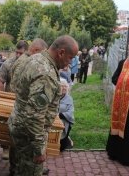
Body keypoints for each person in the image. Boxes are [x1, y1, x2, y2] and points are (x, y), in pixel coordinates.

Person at [8, 35, 79, 176]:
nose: (69, 63)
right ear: (61, 52)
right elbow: (34, 116)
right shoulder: (46, 74)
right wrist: (39, 149)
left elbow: (16, 86)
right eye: (70, 58)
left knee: (21, 167)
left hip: (19, 125)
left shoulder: (35, 58)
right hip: (29, 135)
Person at [9, 38, 48, 176]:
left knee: (19, 153)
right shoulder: (27, 62)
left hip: (20, 111)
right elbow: (16, 87)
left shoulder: (26, 60)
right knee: (23, 158)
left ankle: (16, 168)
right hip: (24, 112)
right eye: (43, 53)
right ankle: (15, 169)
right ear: (36, 50)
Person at [0, 40, 29, 160]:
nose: (18, 55)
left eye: (21, 53)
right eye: (17, 52)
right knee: (6, 124)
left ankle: (19, 150)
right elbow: (1, 81)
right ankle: (5, 147)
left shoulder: (29, 64)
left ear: (26, 52)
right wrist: (0, 99)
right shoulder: (8, 63)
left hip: (23, 101)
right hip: (9, 99)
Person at [59, 78, 75, 152]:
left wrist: (60, 115)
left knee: (61, 148)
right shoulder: (54, 97)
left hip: (65, 121)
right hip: (53, 120)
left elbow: (70, 112)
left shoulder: (69, 99)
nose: (64, 88)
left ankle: (66, 138)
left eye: (65, 86)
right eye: (62, 86)